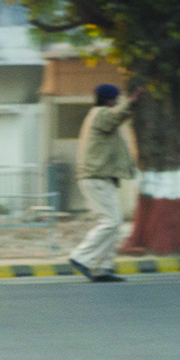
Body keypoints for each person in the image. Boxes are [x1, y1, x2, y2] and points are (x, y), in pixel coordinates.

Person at [68, 84, 142, 282]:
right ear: (109, 100)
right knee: (110, 221)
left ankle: (102, 268)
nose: (117, 103)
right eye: (116, 99)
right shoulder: (101, 114)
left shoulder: (100, 115)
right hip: (96, 178)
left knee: (114, 223)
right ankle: (80, 257)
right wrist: (131, 103)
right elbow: (116, 117)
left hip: (101, 178)